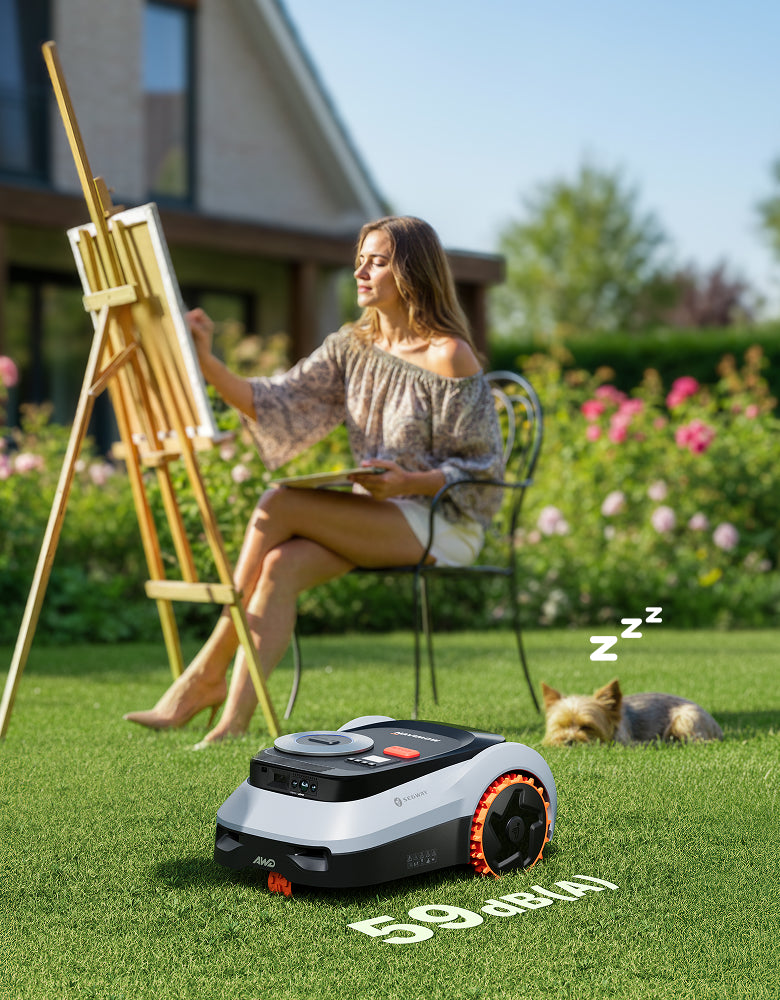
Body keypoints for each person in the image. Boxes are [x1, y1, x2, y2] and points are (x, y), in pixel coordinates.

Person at [124, 216, 504, 744]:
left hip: (445, 521)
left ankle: (202, 676)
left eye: (378, 260)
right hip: (378, 516)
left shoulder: (448, 354)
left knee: (278, 502)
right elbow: (274, 402)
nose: (360, 271)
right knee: (280, 565)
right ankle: (232, 722)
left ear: (412, 270)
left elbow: (484, 469)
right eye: (360, 259)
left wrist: (408, 483)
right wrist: (206, 361)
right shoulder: (351, 347)